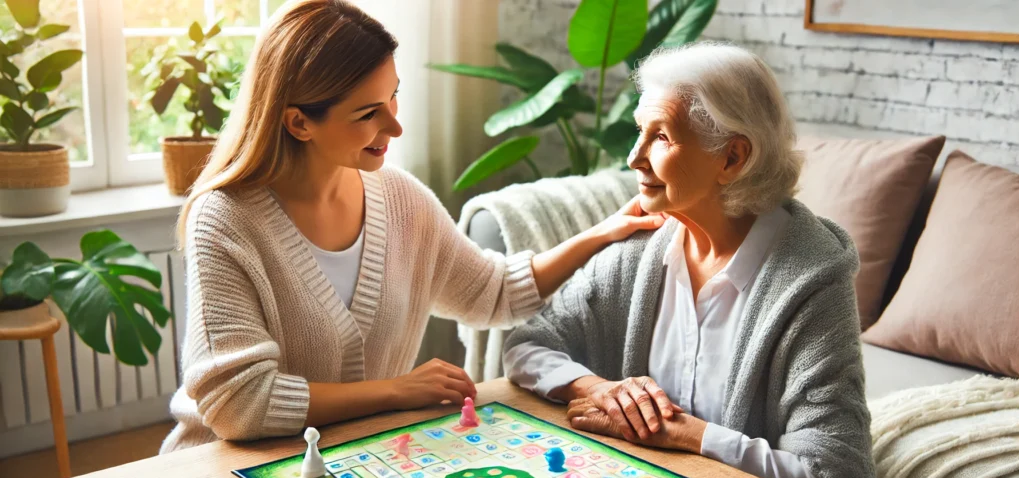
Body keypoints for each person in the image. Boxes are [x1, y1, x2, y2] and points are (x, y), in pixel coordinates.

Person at [159, 0, 664, 453]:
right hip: (222, 469)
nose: (395, 126)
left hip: (356, 460)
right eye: (367, 113)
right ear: (298, 123)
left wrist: (603, 232)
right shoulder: (225, 218)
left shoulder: (398, 197)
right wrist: (396, 390)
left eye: (393, 98)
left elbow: (492, 293)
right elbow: (236, 404)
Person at [503, 42, 891, 478]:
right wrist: (597, 388)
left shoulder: (811, 283)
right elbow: (526, 343)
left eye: (659, 136)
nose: (634, 158)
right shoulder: (642, 246)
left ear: (732, 157)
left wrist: (685, 433)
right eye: (640, 133)